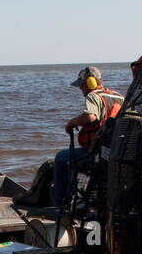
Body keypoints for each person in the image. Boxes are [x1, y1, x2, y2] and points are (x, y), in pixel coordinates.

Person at [52, 66, 124, 208]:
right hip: (116, 153)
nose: (81, 89)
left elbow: (90, 117)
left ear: (90, 82)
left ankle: (60, 205)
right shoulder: (119, 97)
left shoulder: (93, 96)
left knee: (61, 159)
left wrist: (72, 123)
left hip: (97, 153)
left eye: (82, 85)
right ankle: (88, 196)